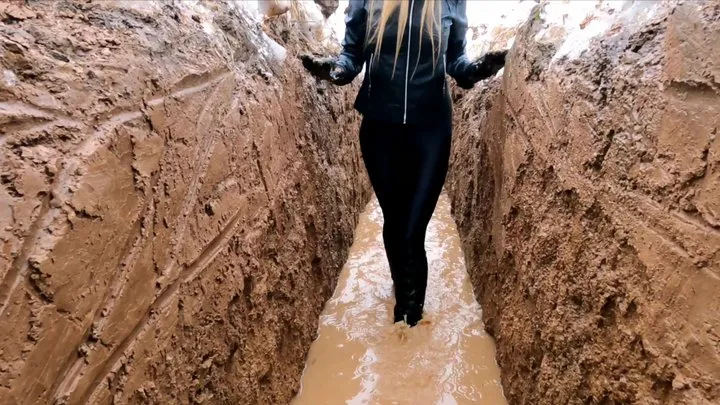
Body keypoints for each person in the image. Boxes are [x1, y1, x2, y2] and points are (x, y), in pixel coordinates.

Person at [300, 0, 507, 326]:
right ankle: (404, 303)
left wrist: (477, 70)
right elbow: (352, 55)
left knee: (413, 229)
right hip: (381, 129)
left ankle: (410, 314)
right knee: (395, 222)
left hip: (431, 131)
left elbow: (456, 59)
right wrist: (336, 70)